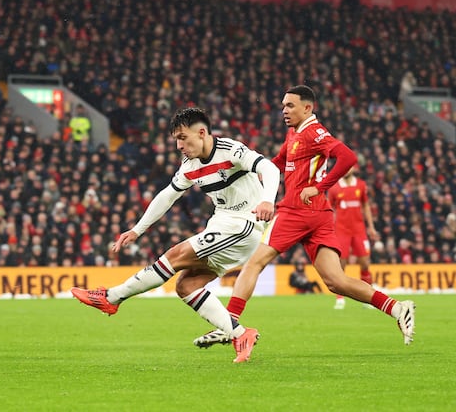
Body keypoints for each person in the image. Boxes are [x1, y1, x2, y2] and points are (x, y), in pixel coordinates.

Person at [193, 85, 415, 362]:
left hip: (296, 210)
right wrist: (249, 171)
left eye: (290, 106)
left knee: (254, 263)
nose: (284, 110)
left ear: (307, 108)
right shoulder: (294, 132)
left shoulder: (314, 132)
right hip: (319, 214)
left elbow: (348, 157)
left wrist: (320, 186)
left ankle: (229, 324)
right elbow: (276, 164)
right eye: (283, 105)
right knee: (336, 281)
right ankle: (396, 307)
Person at [70, 107, 280, 350]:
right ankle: (240, 334)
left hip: (244, 223)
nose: (179, 145)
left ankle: (111, 298)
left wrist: (267, 200)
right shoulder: (190, 165)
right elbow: (168, 196)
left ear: (202, 132)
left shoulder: (231, 150)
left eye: (183, 138)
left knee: (175, 255)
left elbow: (270, 168)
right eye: (176, 140)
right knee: (186, 286)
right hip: (223, 223)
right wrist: (137, 230)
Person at [329, 166, 379, 309]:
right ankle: (340, 298)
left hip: (359, 230)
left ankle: (368, 298)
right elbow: (329, 209)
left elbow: (366, 206)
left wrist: (371, 227)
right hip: (341, 230)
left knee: (365, 263)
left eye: (348, 167)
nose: (346, 170)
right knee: (341, 264)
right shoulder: (334, 188)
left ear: (354, 169)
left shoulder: (361, 185)